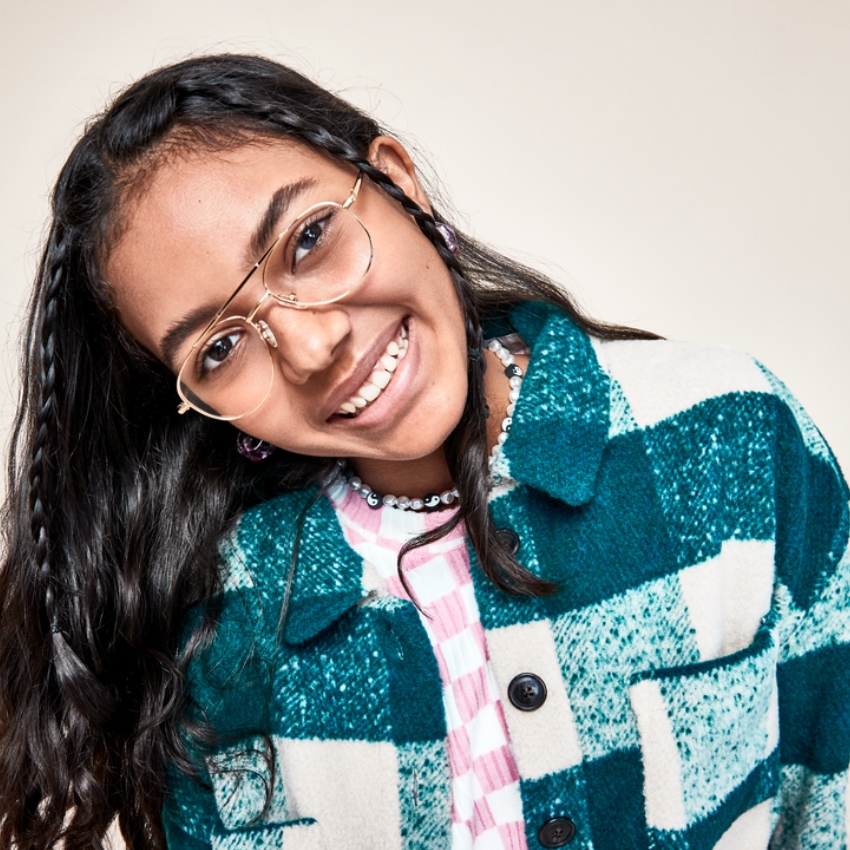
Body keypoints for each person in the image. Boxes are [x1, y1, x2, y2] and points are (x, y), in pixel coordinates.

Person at [0, 53, 847, 850]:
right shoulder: (224, 617)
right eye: (219, 349)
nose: (312, 347)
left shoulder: (725, 435)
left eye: (307, 240)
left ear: (398, 183)